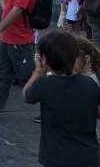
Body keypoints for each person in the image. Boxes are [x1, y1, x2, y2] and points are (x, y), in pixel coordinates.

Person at [22, 31, 100, 167]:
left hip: (56, 157)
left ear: (44, 60)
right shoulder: (90, 84)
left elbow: (26, 96)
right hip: (88, 156)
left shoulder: (44, 84)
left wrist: (39, 71)